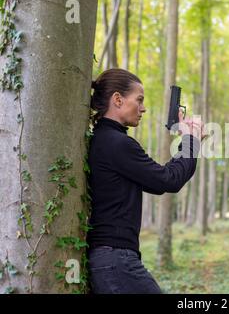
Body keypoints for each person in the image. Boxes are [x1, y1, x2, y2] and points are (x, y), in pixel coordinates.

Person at [86, 68, 205, 294]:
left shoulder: (103, 139)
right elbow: (169, 180)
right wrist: (191, 140)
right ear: (118, 100)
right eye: (139, 100)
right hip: (117, 259)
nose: (143, 108)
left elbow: (157, 184)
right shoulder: (117, 143)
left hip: (109, 259)